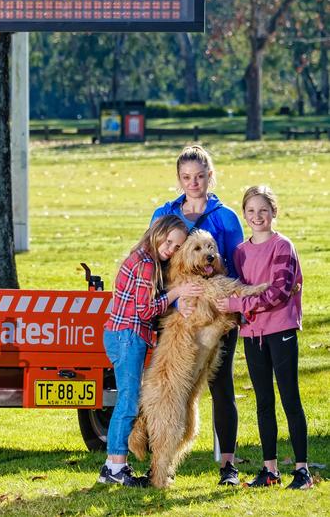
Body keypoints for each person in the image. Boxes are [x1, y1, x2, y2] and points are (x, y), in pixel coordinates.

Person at [150, 144, 244, 485]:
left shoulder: (225, 217)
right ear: (179, 179)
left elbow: (235, 264)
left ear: (210, 177)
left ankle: (228, 466)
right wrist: (176, 301)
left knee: (221, 385)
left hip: (216, 314)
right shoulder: (165, 212)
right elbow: (155, 264)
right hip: (176, 315)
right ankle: (158, 461)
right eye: (187, 177)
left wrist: (231, 305)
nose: (194, 183)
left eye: (200, 176)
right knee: (171, 387)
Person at [215, 186, 313, 489]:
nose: (257, 216)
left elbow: (278, 292)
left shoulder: (283, 247)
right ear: (244, 214)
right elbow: (240, 287)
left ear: (274, 212)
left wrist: (236, 305)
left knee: (289, 398)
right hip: (253, 334)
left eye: (263, 210)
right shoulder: (240, 252)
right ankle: (270, 469)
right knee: (263, 402)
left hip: (280, 330)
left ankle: (302, 470)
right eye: (251, 211)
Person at [98, 215, 203, 486]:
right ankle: (114, 467)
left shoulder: (147, 259)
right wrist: (177, 292)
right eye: (168, 241)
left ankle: (115, 465)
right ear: (157, 232)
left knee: (129, 399)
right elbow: (145, 310)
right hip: (127, 337)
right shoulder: (145, 265)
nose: (170, 249)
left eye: (178, 247)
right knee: (128, 401)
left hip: (126, 336)